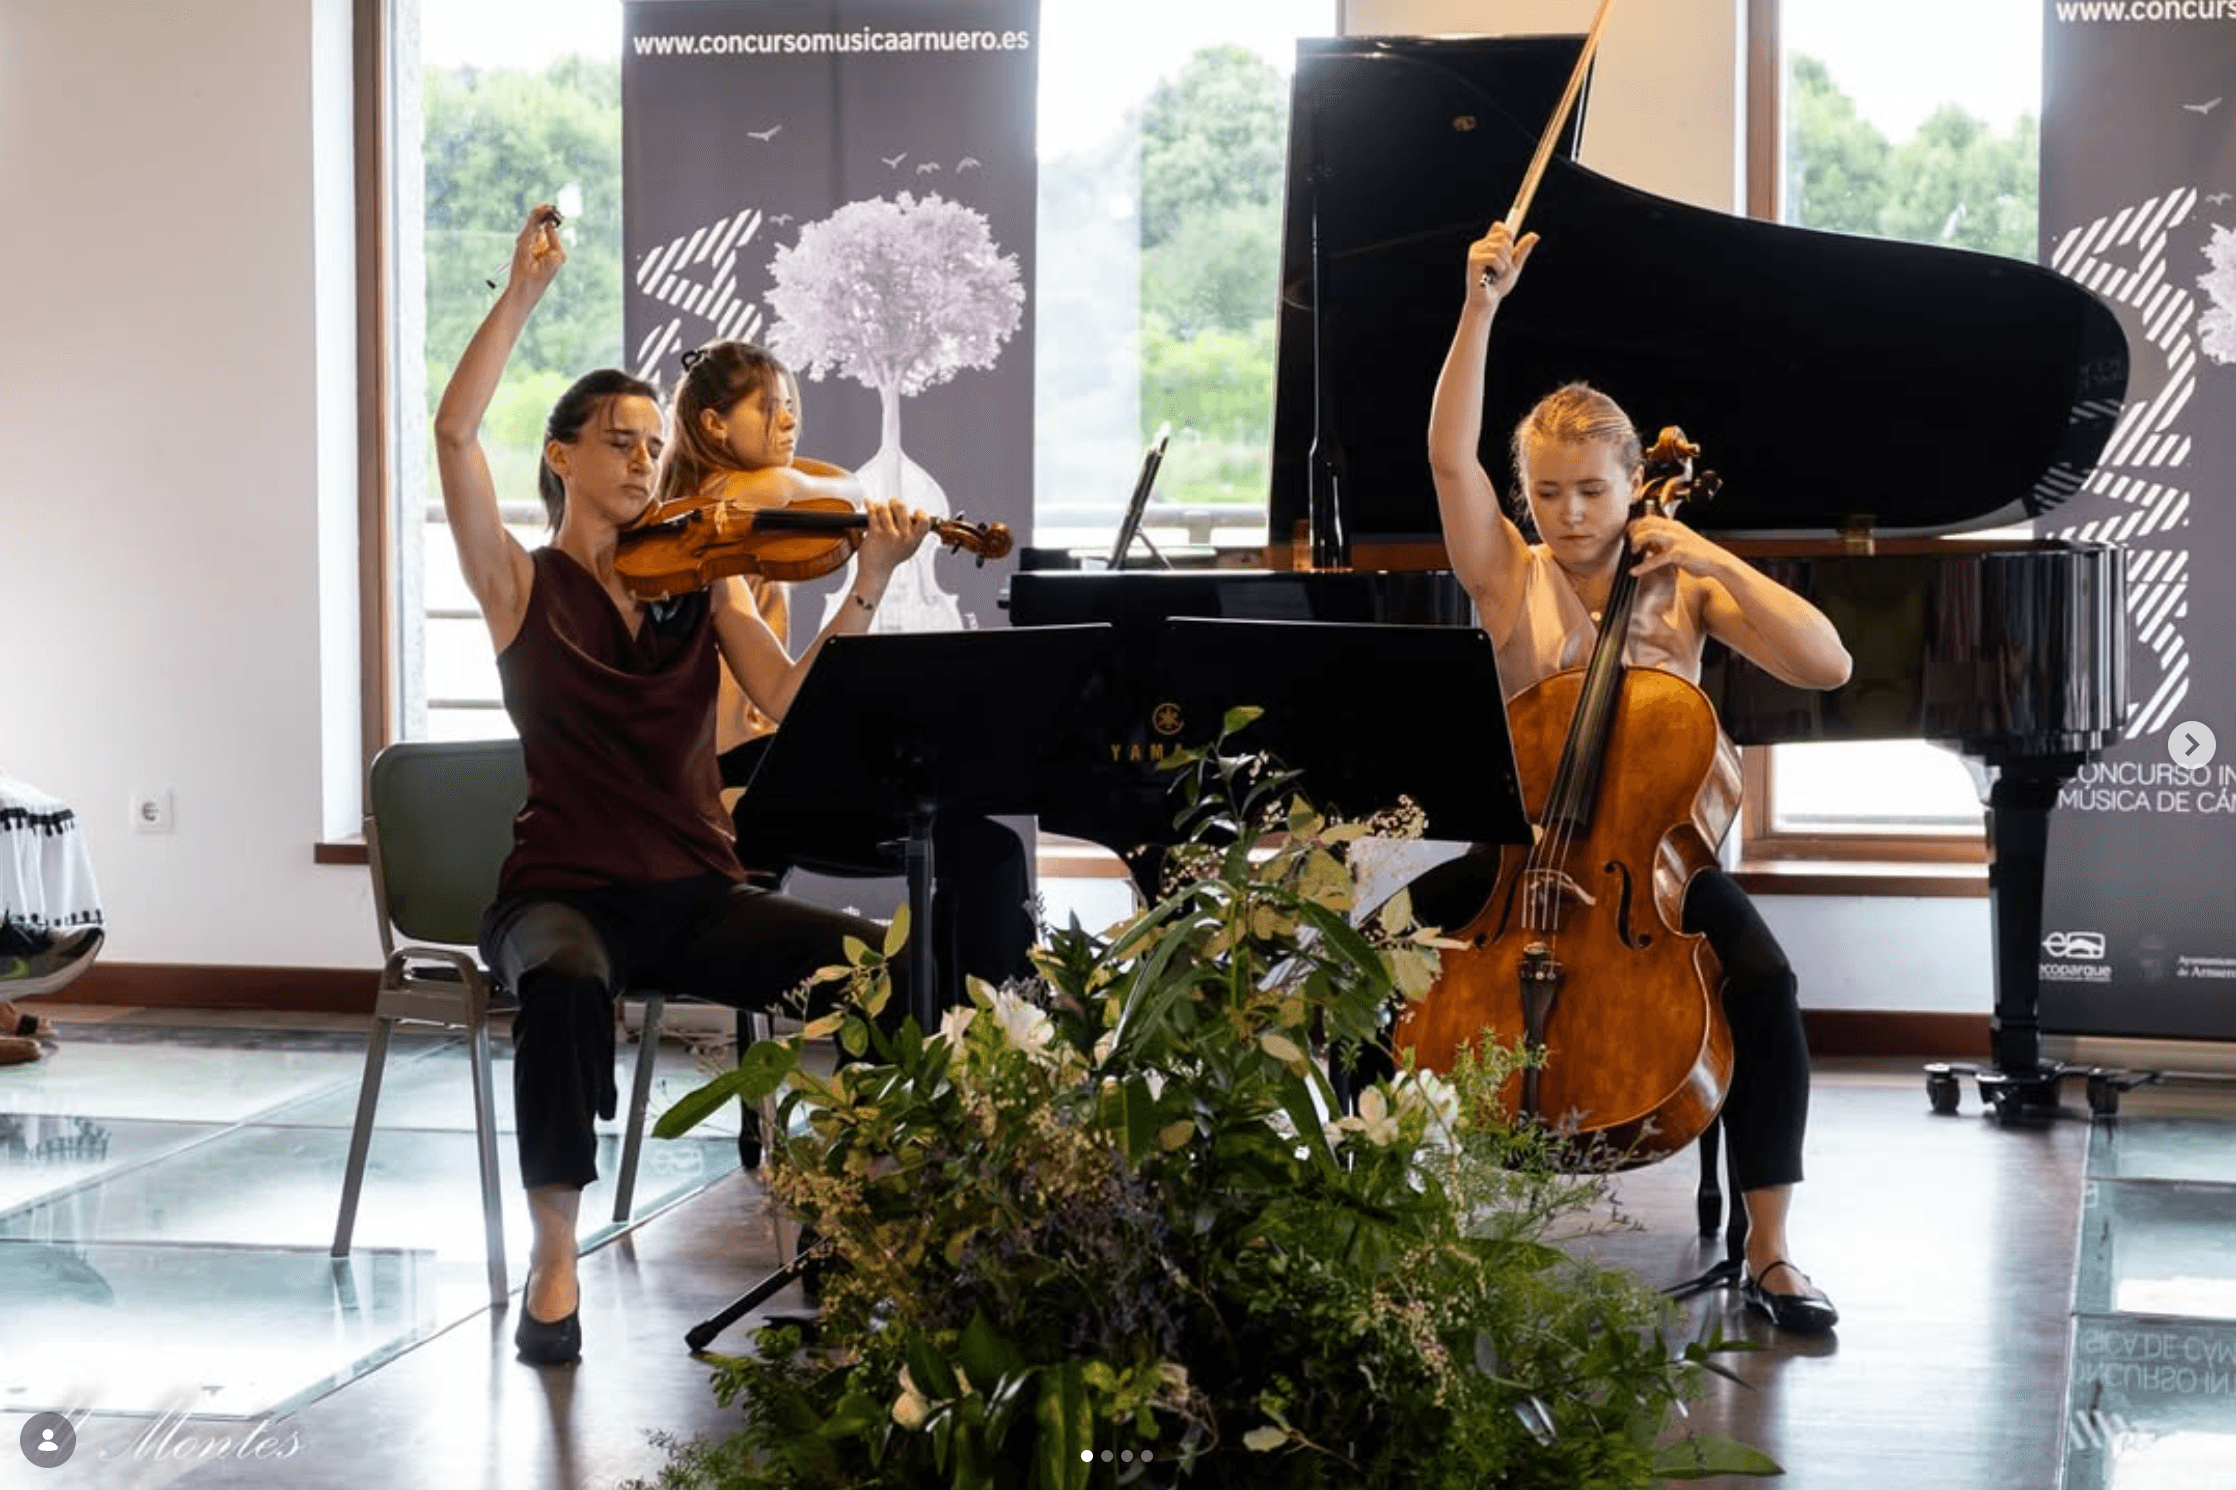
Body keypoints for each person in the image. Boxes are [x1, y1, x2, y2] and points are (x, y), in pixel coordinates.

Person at [433, 204, 932, 1366]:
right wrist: (520, 298)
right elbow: (456, 437)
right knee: (560, 982)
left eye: (654, 442)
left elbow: (792, 703)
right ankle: (555, 1262)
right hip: (558, 888)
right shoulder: (518, 585)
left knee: (883, 970)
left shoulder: (703, 580)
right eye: (620, 438)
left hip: (693, 887)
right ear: (561, 456)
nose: (646, 458)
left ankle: (860, 1225)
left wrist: (866, 580)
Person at [1416, 219, 1855, 1334]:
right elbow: (1444, 457)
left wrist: (1711, 557)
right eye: (1548, 491)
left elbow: (1828, 661)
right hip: (1515, 856)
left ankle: (1772, 1249)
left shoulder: (1683, 586)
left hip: (1644, 880)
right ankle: (1384, 1210)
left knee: (1764, 984)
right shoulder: (1505, 575)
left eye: (1591, 493)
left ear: (1631, 488)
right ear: (1524, 493)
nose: (1569, 514)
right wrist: (1479, 311)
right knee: (1363, 955)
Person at [658, 339, 1038, 1001]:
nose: (789, 424)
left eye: (793, 408)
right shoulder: (703, 540)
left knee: (968, 839)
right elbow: (785, 698)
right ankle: (965, 1041)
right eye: (771, 408)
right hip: (729, 790)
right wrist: (872, 578)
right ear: (714, 425)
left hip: (763, 767)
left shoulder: (738, 528)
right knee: (982, 852)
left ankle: (952, 1034)